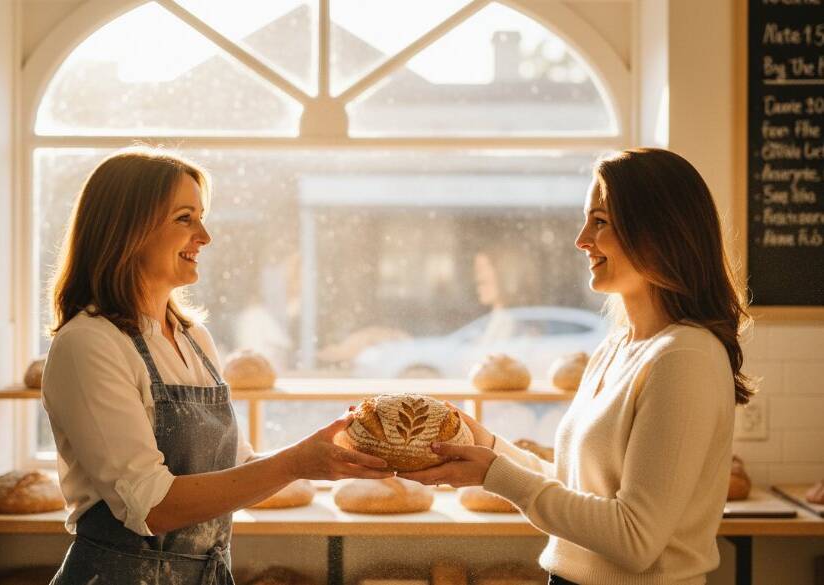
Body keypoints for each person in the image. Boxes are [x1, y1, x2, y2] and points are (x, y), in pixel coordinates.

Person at [401, 148, 754, 584]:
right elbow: (576, 488)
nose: (581, 239)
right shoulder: (617, 347)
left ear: (658, 234)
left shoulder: (685, 358)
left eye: (600, 221)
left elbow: (634, 540)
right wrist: (486, 445)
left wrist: (495, 475)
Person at [42, 148, 390, 584]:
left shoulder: (194, 339)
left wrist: (331, 448)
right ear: (127, 231)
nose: (204, 236)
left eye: (201, 217)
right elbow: (151, 506)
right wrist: (297, 462)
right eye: (184, 218)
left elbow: (234, 471)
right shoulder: (89, 344)